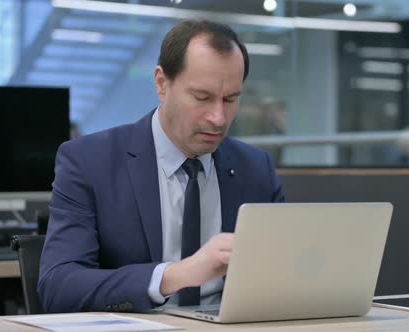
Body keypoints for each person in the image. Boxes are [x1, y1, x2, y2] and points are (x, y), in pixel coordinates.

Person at [38, 19, 285, 313]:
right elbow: (58, 286)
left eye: (230, 99)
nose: (218, 118)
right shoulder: (89, 162)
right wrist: (176, 275)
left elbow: (284, 275)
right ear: (161, 84)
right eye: (202, 97)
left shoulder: (256, 168)